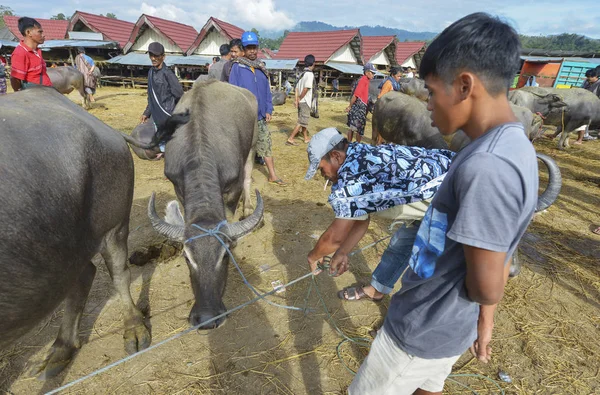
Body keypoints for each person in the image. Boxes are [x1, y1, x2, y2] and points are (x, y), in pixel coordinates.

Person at [345, 13, 538, 394]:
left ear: (465, 85)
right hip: (448, 328)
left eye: (432, 92)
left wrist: (483, 304)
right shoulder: (513, 146)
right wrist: (484, 323)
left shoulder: (487, 166)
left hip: (419, 330)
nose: (428, 104)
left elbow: (487, 285)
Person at [305, 128, 454, 303]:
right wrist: (342, 252)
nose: (324, 176)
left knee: (425, 276)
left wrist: (313, 256)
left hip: (454, 196)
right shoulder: (358, 153)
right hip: (442, 183)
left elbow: (334, 238)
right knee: (401, 244)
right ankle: (377, 289)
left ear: (336, 156)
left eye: (322, 169)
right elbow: (361, 219)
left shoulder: (351, 177)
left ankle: (405, 326)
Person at [229, 31, 286, 186]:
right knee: (244, 148)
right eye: (249, 48)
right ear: (244, 49)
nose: (252, 51)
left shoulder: (261, 68)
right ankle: (243, 176)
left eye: (254, 47)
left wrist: (268, 109)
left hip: (260, 116)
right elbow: (233, 92)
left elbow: (267, 91)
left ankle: (272, 175)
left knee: (265, 144)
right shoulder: (237, 67)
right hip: (244, 117)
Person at [140, 42, 184, 149]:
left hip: (168, 114)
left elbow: (179, 95)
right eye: (151, 55)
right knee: (162, 143)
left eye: (156, 56)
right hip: (157, 116)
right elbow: (151, 95)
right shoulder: (150, 72)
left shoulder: (168, 74)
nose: (153, 58)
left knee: (172, 144)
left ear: (163, 57)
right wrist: (147, 112)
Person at [10, 17, 52, 91]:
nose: (43, 35)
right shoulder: (20, 53)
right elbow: (15, 79)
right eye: (40, 32)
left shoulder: (36, 51)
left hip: (46, 92)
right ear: (28, 32)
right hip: (35, 95)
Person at [286, 54, 316, 146]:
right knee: (302, 121)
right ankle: (291, 138)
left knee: (303, 120)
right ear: (313, 64)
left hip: (300, 101)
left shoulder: (301, 74)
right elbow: (306, 89)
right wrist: (299, 98)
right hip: (305, 101)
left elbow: (296, 89)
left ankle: (306, 137)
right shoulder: (309, 74)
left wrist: (296, 100)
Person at [346, 63, 376, 143]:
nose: (373, 75)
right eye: (372, 73)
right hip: (358, 108)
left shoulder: (365, 80)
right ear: (367, 72)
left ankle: (350, 144)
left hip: (360, 106)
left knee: (353, 128)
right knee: (358, 129)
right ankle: (355, 145)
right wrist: (350, 106)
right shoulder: (363, 80)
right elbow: (356, 95)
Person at [573, 69, 600, 145]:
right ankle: (584, 136)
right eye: (587, 77)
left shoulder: (599, 84)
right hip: (582, 104)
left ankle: (580, 139)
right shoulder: (586, 82)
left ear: (596, 76)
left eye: (590, 77)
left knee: (583, 122)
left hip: (593, 106)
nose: (588, 78)